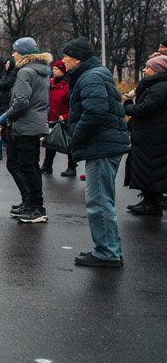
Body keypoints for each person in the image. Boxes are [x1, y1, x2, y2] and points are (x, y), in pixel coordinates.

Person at [61, 37, 130, 267]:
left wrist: (76, 137)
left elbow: (95, 112)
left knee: (99, 201)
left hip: (101, 147)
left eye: (66, 56)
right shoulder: (95, 74)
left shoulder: (90, 77)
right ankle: (109, 249)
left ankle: (107, 252)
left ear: (78, 58)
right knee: (102, 200)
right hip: (104, 144)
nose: (63, 60)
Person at [0, 38, 52, 223]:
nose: (13, 55)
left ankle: (36, 207)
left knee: (27, 166)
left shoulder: (25, 72)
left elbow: (21, 101)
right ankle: (29, 203)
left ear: (23, 53)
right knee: (26, 165)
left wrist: (6, 116)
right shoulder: (42, 71)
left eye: (15, 51)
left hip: (25, 124)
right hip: (33, 124)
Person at [123, 54, 167, 216]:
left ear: (157, 70)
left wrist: (127, 107)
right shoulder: (156, 86)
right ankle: (149, 200)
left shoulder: (159, 87)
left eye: (148, 67)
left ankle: (151, 203)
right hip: (152, 135)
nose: (144, 69)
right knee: (150, 169)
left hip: (153, 136)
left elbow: (145, 109)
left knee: (150, 169)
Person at [41, 60, 77, 177]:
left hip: (63, 119)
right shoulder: (50, 83)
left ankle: (72, 167)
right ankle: (47, 166)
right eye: (53, 69)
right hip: (51, 117)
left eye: (56, 69)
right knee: (50, 141)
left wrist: (66, 116)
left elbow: (73, 105)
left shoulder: (68, 85)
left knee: (68, 143)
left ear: (63, 71)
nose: (53, 71)